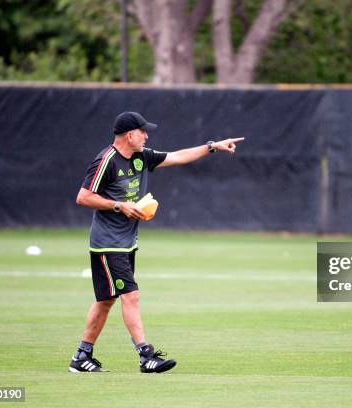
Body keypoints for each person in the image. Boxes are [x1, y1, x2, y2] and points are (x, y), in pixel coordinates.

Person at [69, 111, 244, 373]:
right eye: (143, 131)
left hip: (126, 242)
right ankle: (145, 356)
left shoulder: (141, 156)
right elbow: (83, 197)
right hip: (108, 244)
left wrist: (212, 147)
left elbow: (177, 156)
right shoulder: (106, 161)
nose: (147, 135)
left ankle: (81, 357)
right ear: (130, 135)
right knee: (131, 295)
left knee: (106, 300)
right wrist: (119, 206)